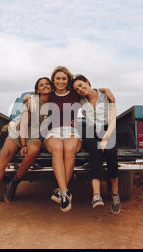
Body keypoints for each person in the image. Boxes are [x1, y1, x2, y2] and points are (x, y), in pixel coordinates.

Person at [0, 77, 52, 212]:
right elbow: (22, 124)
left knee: (33, 150)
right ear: (37, 89)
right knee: (6, 154)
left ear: (51, 87)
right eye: (41, 85)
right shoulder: (32, 102)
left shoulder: (54, 103)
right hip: (19, 132)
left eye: (47, 84)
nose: (45, 86)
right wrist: (22, 145)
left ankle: (15, 181)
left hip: (35, 135)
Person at [72, 74, 121, 214]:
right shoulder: (81, 100)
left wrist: (105, 138)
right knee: (95, 152)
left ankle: (115, 194)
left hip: (107, 127)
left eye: (81, 85)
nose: (80, 89)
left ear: (87, 82)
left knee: (111, 152)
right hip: (89, 130)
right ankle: (96, 195)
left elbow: (113, 119)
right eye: (76, 89)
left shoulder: (106, 95)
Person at [44, 66, 82, 212]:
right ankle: (65, 192)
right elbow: (35, 95)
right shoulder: (49, 95)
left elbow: (91, 91)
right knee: (58, 148)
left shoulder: (75, 94)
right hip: (53, 131)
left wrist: (106, 90)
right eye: (58, 78)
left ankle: (62, 192)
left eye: (64, 78)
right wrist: (27, 97)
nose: (61, 81)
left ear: (68, 80)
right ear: (53, 80)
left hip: (71, 131)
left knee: (69, 148)